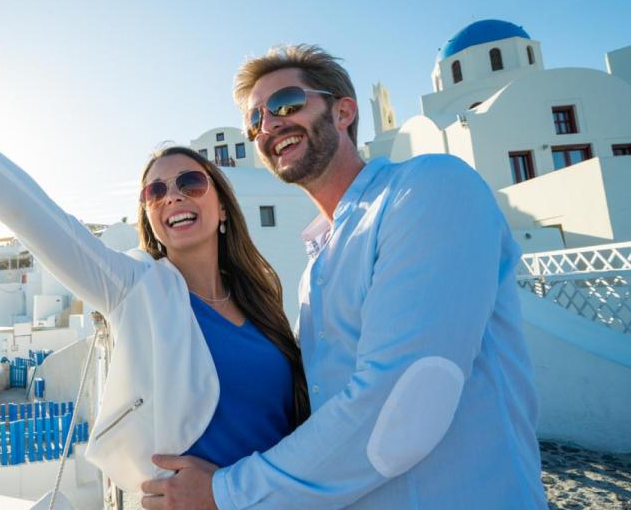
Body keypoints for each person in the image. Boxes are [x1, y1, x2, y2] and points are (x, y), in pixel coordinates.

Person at [0, 0, 310, 497]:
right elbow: (28, 208)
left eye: (190, 182)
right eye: (155, 191)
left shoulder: (264, 302)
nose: (173, 195)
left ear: (222, 206)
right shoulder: (137, 291)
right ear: (149, 219)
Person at [142, 45, 549, 509]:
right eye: (255, 120)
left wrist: (224, 492)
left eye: (286, 104)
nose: (269, 125)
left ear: (343, 111)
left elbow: (398, 408)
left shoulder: (427, 189)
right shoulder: (316, 268)